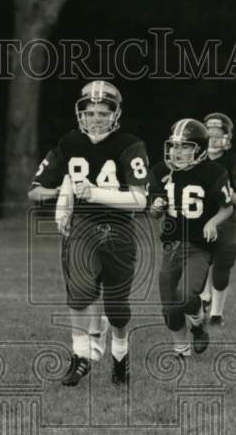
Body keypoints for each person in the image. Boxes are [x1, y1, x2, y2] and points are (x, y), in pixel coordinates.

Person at [28, 81, 149, 386]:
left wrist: (93, 193)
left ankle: (120, 352)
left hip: (118, 228)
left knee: (117, 309)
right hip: (82, 227)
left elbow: (140, 199)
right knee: (79, 292)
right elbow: (35, 191)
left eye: (102, 112)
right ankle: (80, 356)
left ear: (115, 114)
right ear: (80, 113)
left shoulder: (130, 144)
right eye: (89, 111)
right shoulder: (69, 143)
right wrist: (63, 200)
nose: (95, 117)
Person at [148, 119, 233, 357]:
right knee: (169, 307)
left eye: (185, 146)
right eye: (174, 146)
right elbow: (154, 213)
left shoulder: (213, 172)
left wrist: (212, 222)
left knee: (186, 296)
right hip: (171, 246)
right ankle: (181, 348)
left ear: (199, 149)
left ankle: (197, 321)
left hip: (199, 246)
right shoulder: (160, 171)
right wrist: (156, 206)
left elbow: (228, 208)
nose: (177, 152)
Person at [196, 112, 236, 326]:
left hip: (225, 220)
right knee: (197, 264)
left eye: (217, 134)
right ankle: (202, 298)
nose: (212, 138)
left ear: (227, 137)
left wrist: (219, 193)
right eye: (208, 133)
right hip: (196, 218)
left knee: (222, 267)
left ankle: (216, 313)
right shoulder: (193, 157)